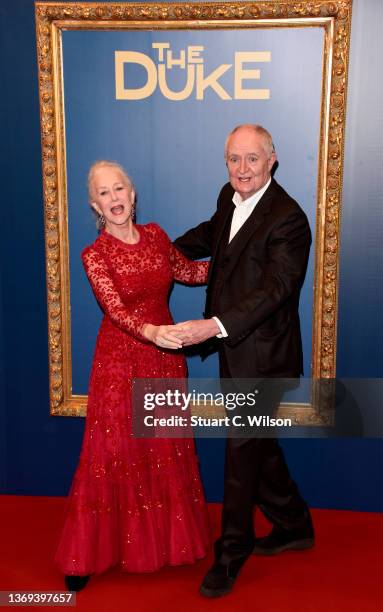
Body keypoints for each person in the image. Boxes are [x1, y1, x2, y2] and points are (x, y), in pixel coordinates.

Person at [55, 161, 210, 591]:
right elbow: (115, 309)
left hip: (164, 358)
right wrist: (151, 333)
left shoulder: (158, 237)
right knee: (112, 452)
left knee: (161, 450)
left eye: (119, 188)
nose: (115, 198)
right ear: (95, 205)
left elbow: (189, 271)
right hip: (121, 362)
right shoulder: (95, 255)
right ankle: (84, 555)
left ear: (133, 193)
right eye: (104, 193)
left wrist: (237, 262)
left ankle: (162, 543)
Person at [173, 124, 314, 597]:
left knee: (241, 449)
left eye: (252, 158)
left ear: (273, 158)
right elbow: (214, 234)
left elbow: (274, 291)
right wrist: (159, 251)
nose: (242, 169)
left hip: (266, 357)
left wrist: (213, 325)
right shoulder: (227, 195)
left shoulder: (289, 219)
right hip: (236, 350)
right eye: (234, 159)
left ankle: (232, 552)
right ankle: (294, 523)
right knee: (257, 443)